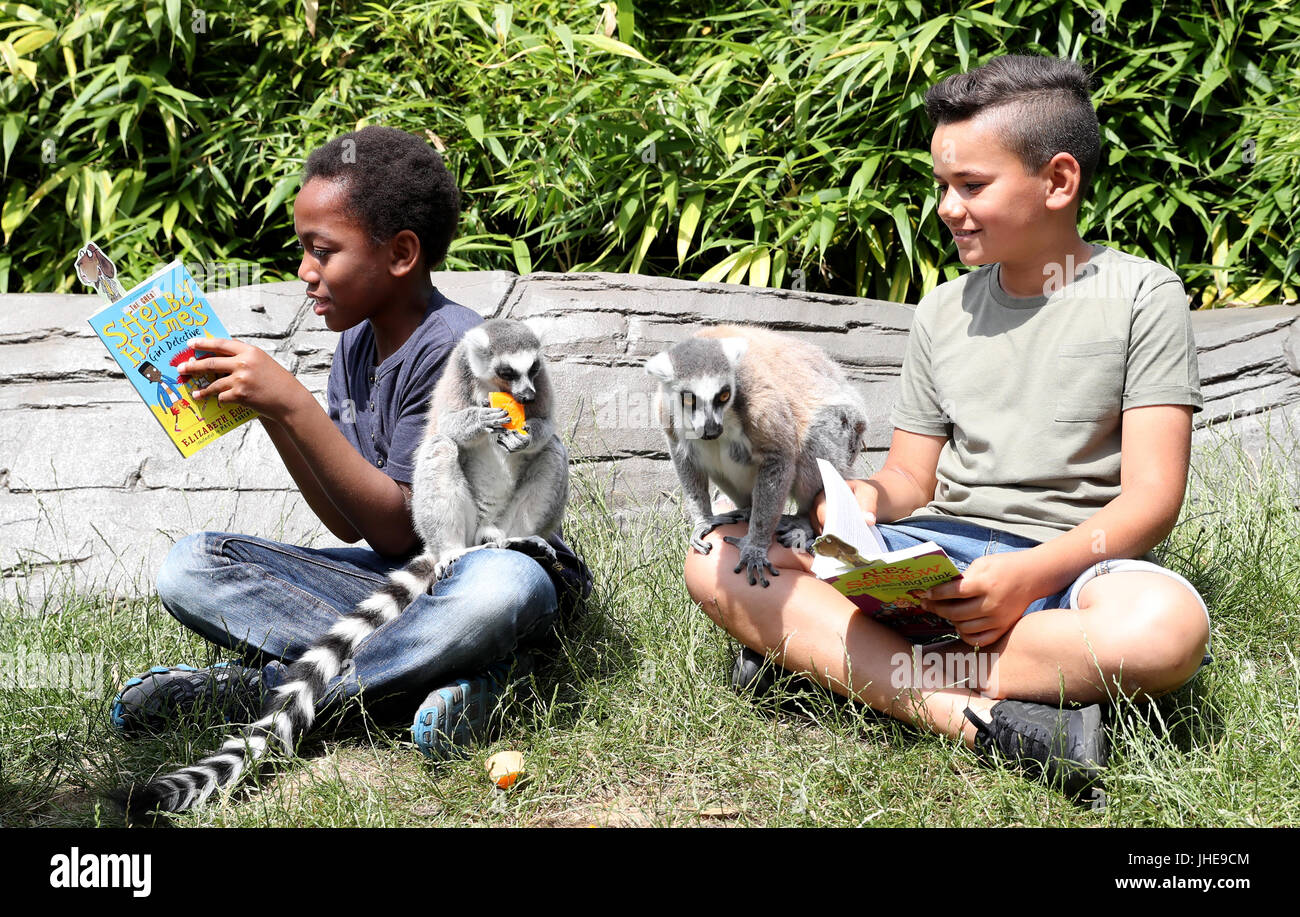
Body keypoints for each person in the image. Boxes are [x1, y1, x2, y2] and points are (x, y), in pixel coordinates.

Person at [684, 55, 1211, 800]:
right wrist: (859, 499)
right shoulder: (942, 311)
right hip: (937, 558)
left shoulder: (1142, 297)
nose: (947, 208)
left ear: (1059, 181)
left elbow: (1152, 499)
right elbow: (910, 479)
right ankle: (981, 717)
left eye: (972, 186)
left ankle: (848, 669)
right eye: (941, 186)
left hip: (1069, 572)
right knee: (720, 557)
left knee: (1168, 628)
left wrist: (1033, 572)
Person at [111, 126, 591, 759]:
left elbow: (398, 527)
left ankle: (270, 693)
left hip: (483, 569)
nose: (306, 273)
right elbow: (347, 522)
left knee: (501, 586)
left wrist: (292, 401)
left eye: (323, 250)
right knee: (193, 565)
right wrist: (269, 414)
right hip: (404, 587)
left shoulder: (462, 350)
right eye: (303, 250)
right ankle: (450, 678)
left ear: (400, 254)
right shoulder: (357, 346)